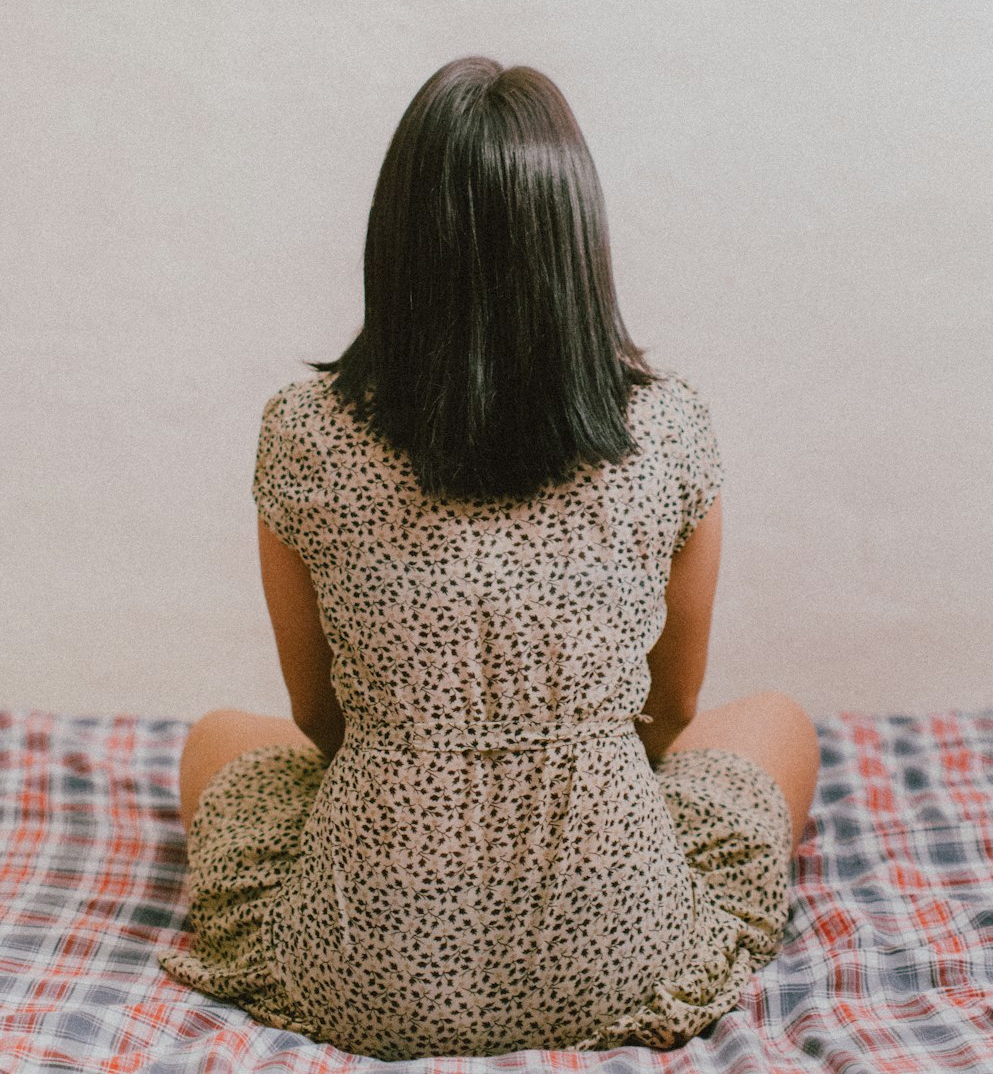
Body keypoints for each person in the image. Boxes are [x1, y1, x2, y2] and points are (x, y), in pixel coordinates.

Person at [159, 57, 819, 1057]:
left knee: (219, 735)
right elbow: (672, 712)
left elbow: (318, 718)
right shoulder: (668, 432)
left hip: (362, 970)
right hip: (622, 953)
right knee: (774, 722)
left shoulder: (304, 434)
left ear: (395, 243)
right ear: (575, 242)